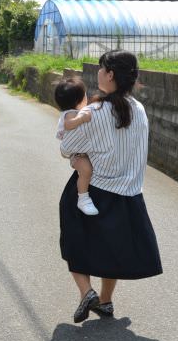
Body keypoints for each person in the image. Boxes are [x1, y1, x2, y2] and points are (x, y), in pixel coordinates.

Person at [59, 50, 162, 324]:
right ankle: (105, 301)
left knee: (75, 240)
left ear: (111, 74)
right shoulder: (138, 110)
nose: (98, 73)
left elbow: (67, 147)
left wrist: (78, 157)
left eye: (102, 69)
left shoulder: (96, 111)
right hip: (129, 194)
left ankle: (86, 292)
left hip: (95, 189)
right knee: (111, 248)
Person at [54, 78, 98, 216]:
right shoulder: (70, 114)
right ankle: (83, 198)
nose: (87, 97)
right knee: (86, 170)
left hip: (79, 151)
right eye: (85, 95)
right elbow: (68, 124)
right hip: (76, 155)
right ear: (77, 100)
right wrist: (82, 119)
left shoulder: (74, 111)